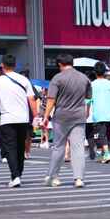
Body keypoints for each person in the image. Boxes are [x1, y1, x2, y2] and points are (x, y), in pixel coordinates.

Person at [42, 54, 92, 188]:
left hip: (61, 117)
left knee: (59, 147)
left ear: (60, 64)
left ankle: (52, 176)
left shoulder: (57, 78)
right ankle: (79, 178)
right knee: (78, 148)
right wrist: (86, 112)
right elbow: (88, 99)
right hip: (79, 116)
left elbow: (51, 99)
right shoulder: (84, 78)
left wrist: (46, 116)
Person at [0, 54, 38, 188]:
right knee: (20, 147)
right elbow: (32, 99)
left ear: (2, 66)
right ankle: (18, 175)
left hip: (6, 119)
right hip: (23, 119)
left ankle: (15, 176)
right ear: (15, 65)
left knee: (10, 148)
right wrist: (36, 116)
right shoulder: (24, 79)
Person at [90, 62, 110, 164]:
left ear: (95, 72)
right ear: (104, 72)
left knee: (100, 135)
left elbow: (87, 100)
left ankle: (107, 154)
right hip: (109, 114)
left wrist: (86, 112)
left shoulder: (92, 84)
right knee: (106, 134)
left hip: (97, 114)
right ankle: (103, 154)